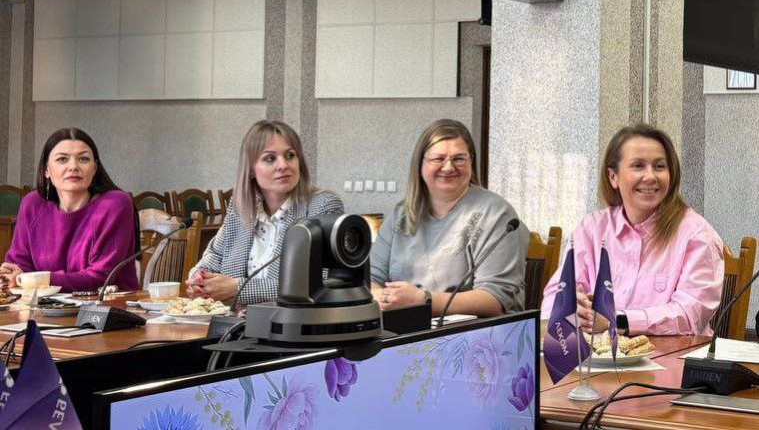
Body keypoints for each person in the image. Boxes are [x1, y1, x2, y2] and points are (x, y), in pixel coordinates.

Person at [541, 124, 724, 336]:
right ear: (613, 177)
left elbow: (689, 315)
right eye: (638, 166)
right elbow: (556, 295)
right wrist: (569, 308)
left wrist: (616, 320)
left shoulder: (697, 234)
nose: (650, 176)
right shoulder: (592, 228)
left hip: (674, 354)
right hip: (596, 353)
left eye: (659, 166)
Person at [371, 119, 529, 317]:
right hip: (403, 328)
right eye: (438, 159)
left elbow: (496, 299)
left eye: (459, 159)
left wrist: (424, 301)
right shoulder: (401, 215)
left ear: (471, 162)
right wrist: (382, 297)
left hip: (473, 332)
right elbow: (369, 278)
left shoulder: (497, 214)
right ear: (420, 164)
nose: (448, 167)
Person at [187, 120, 344, 305]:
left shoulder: (322, 206)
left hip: (292, 320)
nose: (283, 165)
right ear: (251, 169)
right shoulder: (241, 207)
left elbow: (320, 283)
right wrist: (199, 279)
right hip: (234, 319)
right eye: (270, 158)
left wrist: (238, 288)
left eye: (290, 155)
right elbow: (214, 256)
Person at [0, 128, 139, 293]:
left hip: (108, 305)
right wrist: (10, 275)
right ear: (46, 170)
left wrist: (34, 279)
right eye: (62, 159)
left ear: (94, 168)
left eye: (83, 159)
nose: (73, 166)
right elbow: (17, 265)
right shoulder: (32, 203)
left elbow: (100, 276)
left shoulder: (116, 203)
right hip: (43, 304)